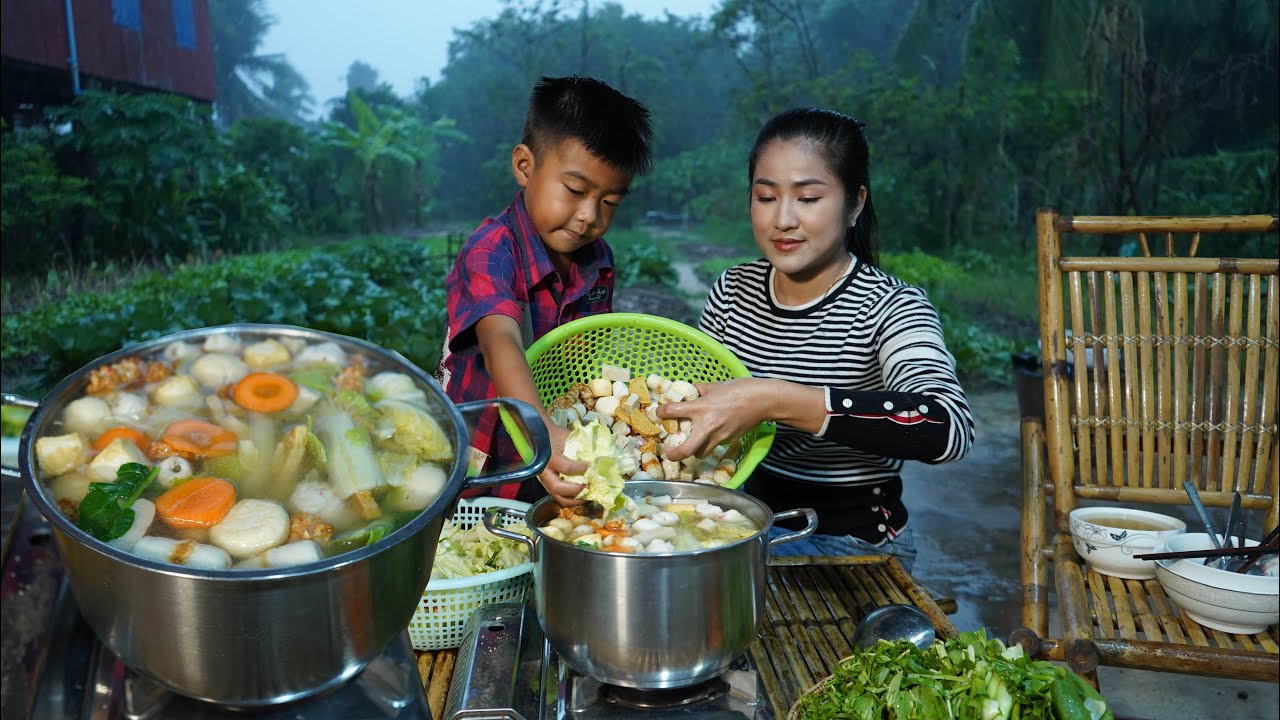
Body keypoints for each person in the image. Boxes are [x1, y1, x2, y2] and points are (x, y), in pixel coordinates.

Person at [657, 107, 974, 572]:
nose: (783, 219)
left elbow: (947, 427)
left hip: (856, 550)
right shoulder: (732, 292)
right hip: (745, 529)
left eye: (808, 198)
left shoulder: (892, 306)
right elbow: (704, 415)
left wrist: (774, 399)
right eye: (766, 197)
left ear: (855, 203)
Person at [439, 76, 654, 505]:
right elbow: (501, 339)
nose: (588, 215)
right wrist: (542, 431)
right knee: (476, 545)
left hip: (553, 443)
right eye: (575, 191)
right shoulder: (490, 250)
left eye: (610, 201)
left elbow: (578, 359)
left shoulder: (598, 260)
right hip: (481, 455)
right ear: (524, 166)